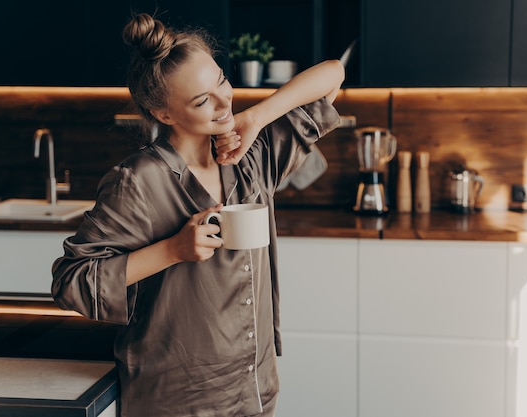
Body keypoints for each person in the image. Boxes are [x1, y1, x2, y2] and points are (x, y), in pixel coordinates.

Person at [51, 12, 345, 417]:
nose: (225, 102)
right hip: (177, 399)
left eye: (222, 80)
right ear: (164, 113)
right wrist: (172, 250)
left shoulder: (252, 156)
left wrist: (257, 117)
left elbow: (332, 75)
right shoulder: (138, 181)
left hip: (254, 388)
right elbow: (72, 282)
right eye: (202, 100)